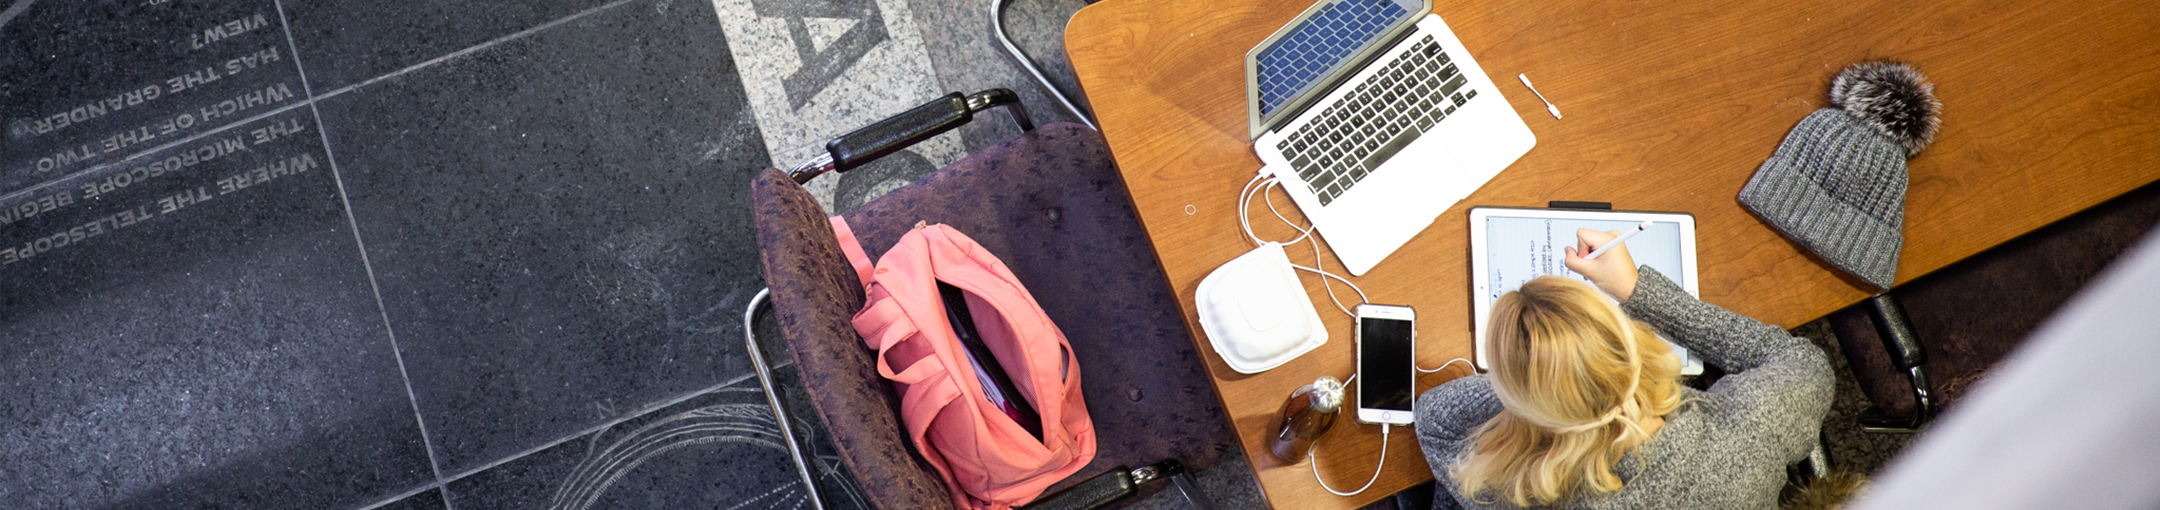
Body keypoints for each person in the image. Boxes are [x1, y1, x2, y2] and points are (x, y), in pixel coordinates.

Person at [1415, 229, 1835, 509]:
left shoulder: (1518, 493)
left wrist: (1539, 380)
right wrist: (1636, 290)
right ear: (1631, 340)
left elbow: (1434, 419)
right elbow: (1805, 364)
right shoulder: (1749, 433)